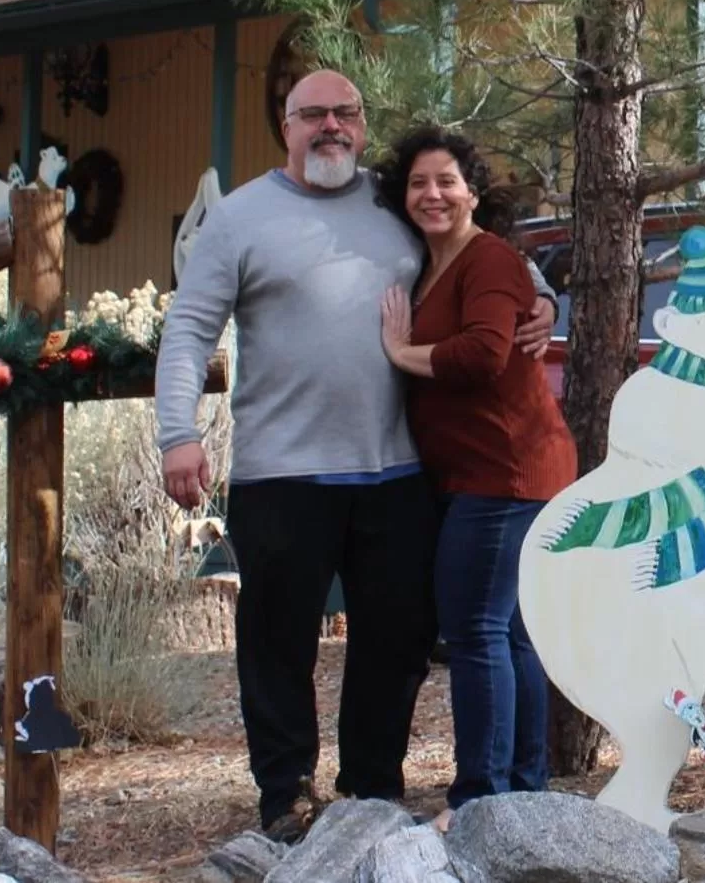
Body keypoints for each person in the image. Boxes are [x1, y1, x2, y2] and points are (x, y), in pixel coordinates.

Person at [154, 70, 556, 842]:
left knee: (396, 642)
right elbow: (188, 330)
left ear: (363, 126)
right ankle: (286, 793)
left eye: (345, 113)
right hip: (281, 474)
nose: (330, 126)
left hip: (397, 473)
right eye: (313, 114)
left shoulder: (395, 201)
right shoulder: (239, 218)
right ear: (286, 125)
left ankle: (371, 787)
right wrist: (178, 431)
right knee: (277, 644)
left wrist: (535, 301)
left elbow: (490, 256)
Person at [376, 126, 576, 827]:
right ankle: (520, 786)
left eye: (446, 181)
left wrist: (402, 352)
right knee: (511, 630)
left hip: (505, 471)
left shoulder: (486, 257)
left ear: (472, 191)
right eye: (417, 183)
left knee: (476, 629)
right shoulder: (433, 262)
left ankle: (480, 796)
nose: (431, 194)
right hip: (496, 470)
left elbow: (485, 354)